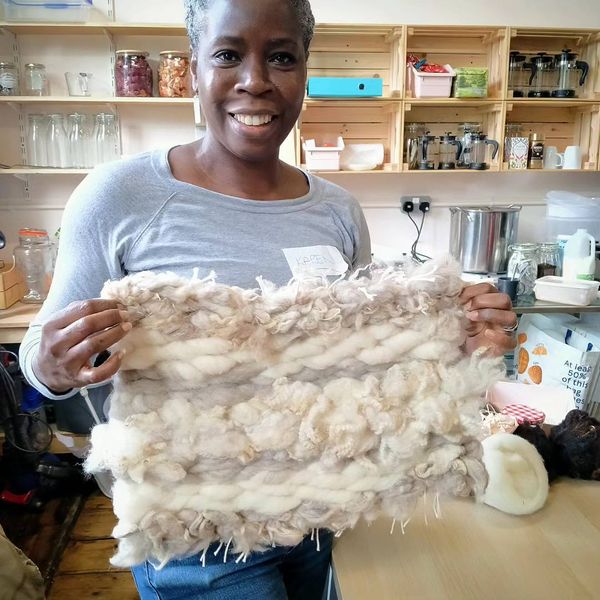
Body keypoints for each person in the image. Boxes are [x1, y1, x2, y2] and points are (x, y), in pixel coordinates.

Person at [19, 0, 517, 597]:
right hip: (197, 534)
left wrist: (455, 337)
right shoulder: (119, 196)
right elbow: (40, 358)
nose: (255, 80)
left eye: (281, 57)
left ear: (304, 71)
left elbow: (363, 365)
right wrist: (51, 364)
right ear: (196, 66)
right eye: (228, 55)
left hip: (326, 511)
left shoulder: (335, 209)